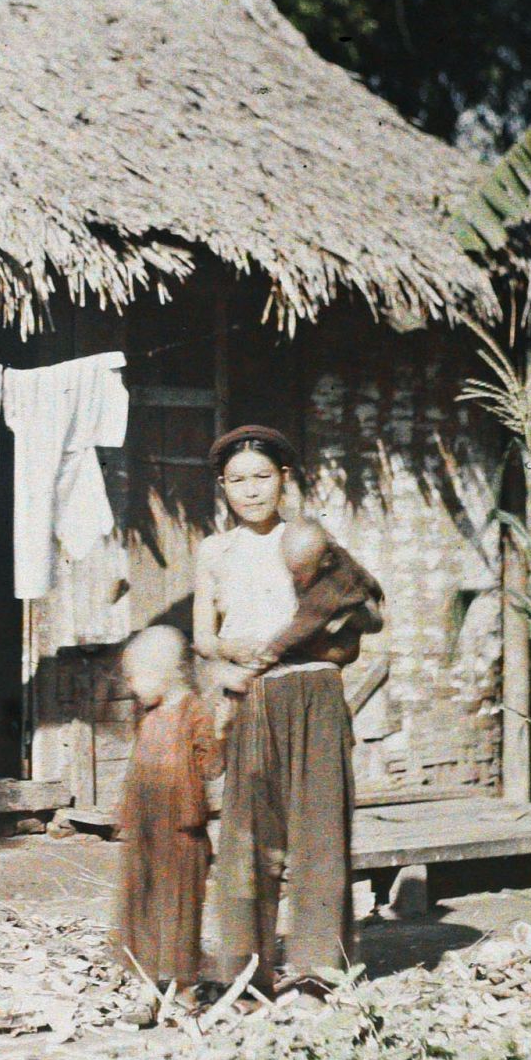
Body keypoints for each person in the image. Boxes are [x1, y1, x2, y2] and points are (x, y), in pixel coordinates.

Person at [194, 426, 355, 994]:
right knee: (246, 836)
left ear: (285, 478)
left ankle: (318, 970)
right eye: (237, 481)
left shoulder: (312, 541)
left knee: (319, 830)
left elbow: (353, 625)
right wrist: (237, 652)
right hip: (254, 694)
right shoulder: (215, 551)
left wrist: (302, 646)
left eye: (263, 477)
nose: (251, 491)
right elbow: (204, 638)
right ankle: (244, 973)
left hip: (312, 691)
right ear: (221, 487)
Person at [114, 625, 220, 1005]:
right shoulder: (150, 715)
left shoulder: (194, 712)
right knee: (144, 900)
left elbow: (211, 766)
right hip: (146, 826)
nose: (131, 688)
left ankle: (185, 986)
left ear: (165, 673)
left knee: (181, 904)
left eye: (136, 678)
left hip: (181, 829)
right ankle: (148, 981)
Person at [266, 516, 386, 668]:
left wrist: (274, 648)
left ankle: (350, 617)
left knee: (313, 643)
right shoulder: (322, 556)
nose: (297, 578)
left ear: (325, 561)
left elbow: (306, 622)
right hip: (345, 604)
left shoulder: (331, 583)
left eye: (301, 572)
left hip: (363, 611)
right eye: (293, 572)